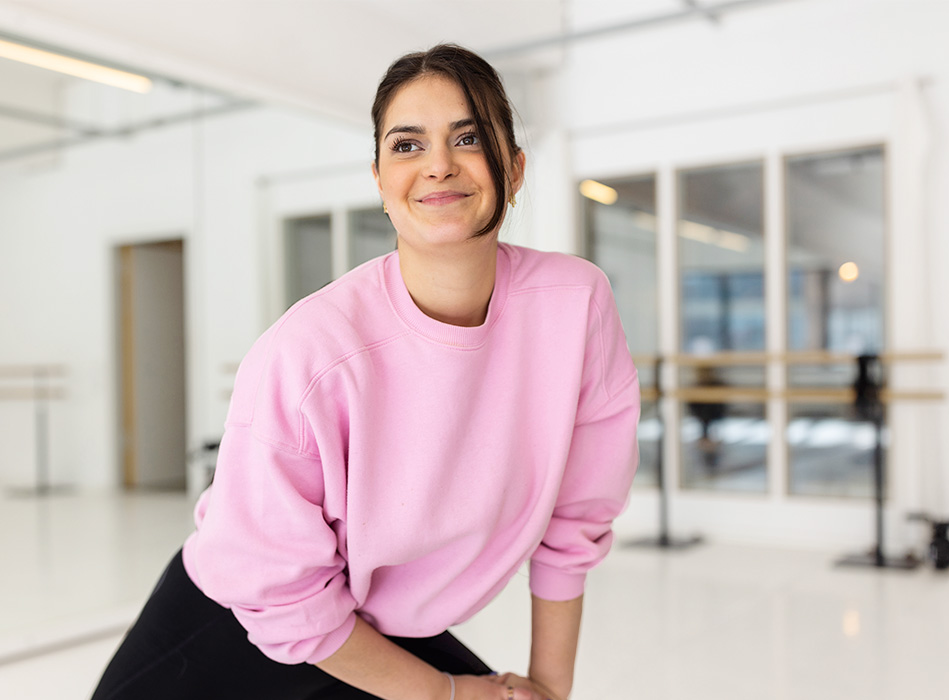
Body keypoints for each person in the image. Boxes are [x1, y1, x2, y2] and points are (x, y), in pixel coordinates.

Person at [91, 44, 640, 700]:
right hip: (232, 634)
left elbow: (575, 519)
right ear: (379, 178)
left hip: (379, 625)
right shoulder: (311, 352)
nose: (439, 164)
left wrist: (549, 689)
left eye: (467, 138)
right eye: (407, 145)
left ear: (514, 168)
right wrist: (451, 694)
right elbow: (281, 597)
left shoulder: (573, 305)